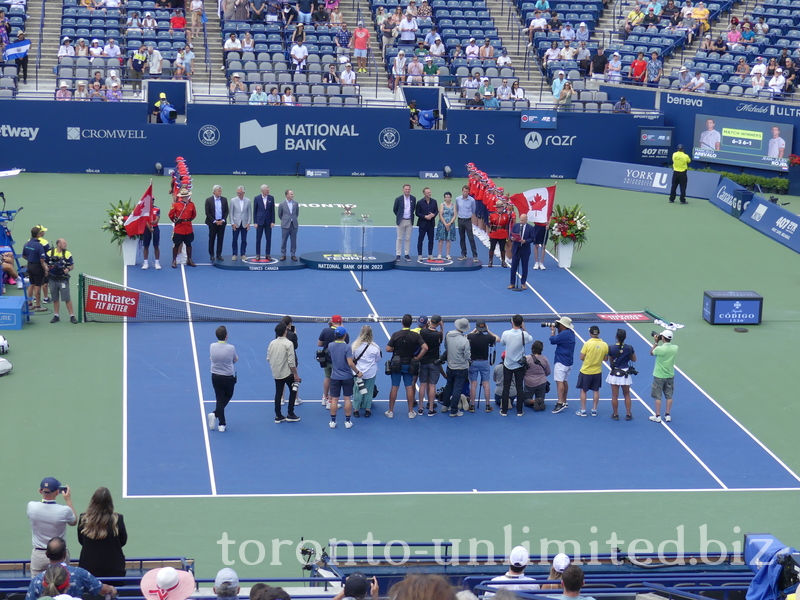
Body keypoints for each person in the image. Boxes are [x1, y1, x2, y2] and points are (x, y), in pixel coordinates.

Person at [26, 537, 117, 600]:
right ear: (65, 554)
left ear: (47, 554)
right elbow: (101, 589)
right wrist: (111, 589)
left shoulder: (36, 580)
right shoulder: (80, 573)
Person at [27, 478, 77, 576]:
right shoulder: (65, 510)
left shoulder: (31, 506)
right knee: (61, 583)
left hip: (39, 555)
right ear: (57, 492)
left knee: (38, 585)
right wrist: (68, 500)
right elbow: (74, 521)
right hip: (59, 555)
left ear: (40, 491)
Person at [77, 487, 127, 577]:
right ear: (110, 502)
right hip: (115, 570)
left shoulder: (83, 519)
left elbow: (81, 541)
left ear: (93, 502)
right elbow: (123, 541)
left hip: (88, 572)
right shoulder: (118, 519)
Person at [385, 314, 427, 418]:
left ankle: (390, 411)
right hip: (409, 364)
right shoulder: (415, 335)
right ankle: (411, 411)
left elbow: (388, 349)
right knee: (409, 387)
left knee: (395, 387)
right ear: (411, 323)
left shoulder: (396, 334)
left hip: (396, 364)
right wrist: (417, 357)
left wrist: (396, 349)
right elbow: (425, 348)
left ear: (402, 323)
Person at [326, 326, 361, 429]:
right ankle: (347, 422)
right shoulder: (347, 347)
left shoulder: (330, 345)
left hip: (335, 377)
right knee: (347, 399)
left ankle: (333, 422)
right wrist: (358, 372)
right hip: (347, 377)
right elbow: (350, 363)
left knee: (334, 400)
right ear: (344, 335)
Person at [268, 321, 302, 423]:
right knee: (293, 390)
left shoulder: (272, 343)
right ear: (285, 332)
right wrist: (295, 374)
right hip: (287, 373)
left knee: (278, 393)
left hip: (276, 373)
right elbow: (291, 361)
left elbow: (268, 358)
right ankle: (290, 414)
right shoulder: (288, 343)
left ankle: (278, 415)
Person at [500, 315, 533, 416]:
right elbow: (530, 339)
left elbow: (502, 343)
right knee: (519, 387)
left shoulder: (506, 333)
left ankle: (504, 411)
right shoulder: (524, 334)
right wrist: (524, 328)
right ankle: (519, 411)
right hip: (519, 365)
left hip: (508, 364)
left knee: (506, 387)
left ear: (512, 322)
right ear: (521, 323)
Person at [207, 325, 238, 433]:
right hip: (228, 377)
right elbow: (235, 359)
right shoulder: (231, 348)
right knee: (228, 396)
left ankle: (220, 421)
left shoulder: (212, 346)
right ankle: (219, 420)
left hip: (215, 377)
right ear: (226, 336)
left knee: (220, 398)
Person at [575, 325, 608, 417]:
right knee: (596, 390)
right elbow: (605, 359)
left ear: (590, 333)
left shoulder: (587, 344)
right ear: (599, 333)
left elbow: (581, 357)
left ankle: (583, 410)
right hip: (597, 371)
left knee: (583, 390)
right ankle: (594, 410)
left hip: (586, 371)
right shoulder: (604, 344)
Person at [440, 318, 471, 417]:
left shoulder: (448, 335)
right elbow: (467, 356)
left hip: (450, 366)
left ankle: (445, 406)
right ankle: (454, 410)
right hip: (461, 368)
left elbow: (446, 347)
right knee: (457, 388)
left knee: (449, 385)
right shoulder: (465, 341)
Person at [606, 328, 637, 421]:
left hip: (615, 373)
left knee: (614, 395)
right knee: (627, 394)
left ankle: (615, 414)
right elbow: (634, 359)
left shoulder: (611, 347)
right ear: (625, 337)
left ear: (616, 337)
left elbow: (610, 360)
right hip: (625, 374)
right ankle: (628, 414)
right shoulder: (629, 348)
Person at [351, 325, 382, 418]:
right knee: (368, 391)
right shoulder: (375, 347)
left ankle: (356, 409)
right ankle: (367, 409)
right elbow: (378, 359)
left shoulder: (355, 346)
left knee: (358, 391)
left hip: (358, 373)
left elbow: (352, 359)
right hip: (370, 373)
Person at [467, 319, 498, 412]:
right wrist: (488, 331)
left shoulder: (470, 337)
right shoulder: (488, 337)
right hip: (484, 363)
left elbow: (464, 337)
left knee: (473, 384)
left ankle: (472, 405)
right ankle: (488, 405)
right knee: (486, 384)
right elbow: (498, 339)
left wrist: (473, 331)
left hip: (473, 363)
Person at [318, 315, 349, 408]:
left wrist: (327, 343)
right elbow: (345, 345)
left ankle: (325, 398)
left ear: (332, 321)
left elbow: (319, 343)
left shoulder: (325, 331)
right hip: (338, 361)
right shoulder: (344, 333)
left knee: (327, 377)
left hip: (326, 360)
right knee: (334, 380)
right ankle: (331, 402)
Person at [414, 315, 442, 416]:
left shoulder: (423, 332)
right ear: (438, 323)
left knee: (422, 385)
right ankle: (430, 408)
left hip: (423, 362)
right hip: (434, 363)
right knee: (432, 385)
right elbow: (441, 338)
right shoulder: (438, 334)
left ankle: (420, 408)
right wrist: (441, 327)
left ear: (430, 322)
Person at [45, 239, 77, 324]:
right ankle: (56, 315)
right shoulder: (50, 253)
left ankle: (72, 316)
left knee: (67, 298)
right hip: (52, 279)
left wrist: (68, 269)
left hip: (63, 279)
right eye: (64, 243)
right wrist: (46, 268)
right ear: (59, 244)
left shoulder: (67, 254)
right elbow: (44, 262)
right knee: (55, 299)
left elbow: (72, 266)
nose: (66, 244)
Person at [649, 329, 677, 423]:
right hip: (670, 375)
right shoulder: (675, 348)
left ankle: (657, 415)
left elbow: (651, 352)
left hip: (659, 376)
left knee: (658, 397)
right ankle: (668, 415)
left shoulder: (659, 349)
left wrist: (656, 342)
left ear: (663, 338)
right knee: (669, 396)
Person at [549, 316, 576, 414]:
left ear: (563, 325)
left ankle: (560, 403)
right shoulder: (570, 333)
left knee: (559, 382)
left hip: (561, 361)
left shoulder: (563, 334)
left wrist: (552, 331)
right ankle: (565, 401)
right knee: (564, 381)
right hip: (568, 362)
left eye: (559, 324)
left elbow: (552, 340)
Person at [22, 226, 49, 313]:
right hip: (37, 267)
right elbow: (42, 260)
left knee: (31, 284)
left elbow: (23, 255)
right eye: (41, 232)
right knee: (37, 286)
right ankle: (38, 305)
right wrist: (45, 268)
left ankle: (30, 304)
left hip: (29, 265)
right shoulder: (39, 245)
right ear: (38, 234)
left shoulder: (27, 243)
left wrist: (30, 259)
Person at [169, 188, 197, 268]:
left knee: (189, 244)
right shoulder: (176, 205)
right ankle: (174, 260)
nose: (185, 198)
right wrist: (175, 221)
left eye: (186, 196)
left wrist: (188, 220)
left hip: (188, 227)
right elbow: (171, 215)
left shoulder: (191, 204)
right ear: (181, 197)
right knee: (176, 244)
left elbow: (194, 214)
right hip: (179, 227)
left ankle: (189, 259)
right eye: (184, 196)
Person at [508, 214, 535, 290]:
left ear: (526, 220)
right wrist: (512, 238)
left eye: (523, 220)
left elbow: (532, 238)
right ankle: (512, 283)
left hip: (525, 250)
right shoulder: (516, 226)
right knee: (513, 267)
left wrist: (525, 241)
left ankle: (523, 283)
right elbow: (511, 234)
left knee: (524, 267)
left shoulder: (531, 228)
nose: (521, 221)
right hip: (516, 249)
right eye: (520, 220)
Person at [522, 340, 550, 411]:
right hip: (542, 383)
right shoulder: (545, 359)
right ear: (541, 349)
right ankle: (540, 400)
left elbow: (522, 371)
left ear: (532, 348)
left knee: (525, 400)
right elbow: (548, 372)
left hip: (529, 383)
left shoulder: (527, 358)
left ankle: (533, 401)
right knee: (541, 397)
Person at [205, 185, 228, 262]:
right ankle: (211, 255)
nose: (220, 192)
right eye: (219, 191)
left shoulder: (224, 200)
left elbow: (226, 211)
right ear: (214, 192)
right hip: (212, 223)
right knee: (212, 239)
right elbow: (207, 213)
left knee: (220, 239)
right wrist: (215, 221)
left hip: (222, 223)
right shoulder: (208, 200)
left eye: (220, 190)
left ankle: (218, 254)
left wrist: (223, 220)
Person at [393, 183, 416, 261]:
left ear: (410, 190)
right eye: (406, 189)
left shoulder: (413, 198)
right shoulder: (398, 199)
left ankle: (406, 254)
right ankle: (398, 254)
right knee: (399, 238)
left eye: (408, 189)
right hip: (401, 221)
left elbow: (413, 209)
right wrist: (400, 217)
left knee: (408, 238)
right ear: (403, 190)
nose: (407, 190)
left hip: (409, 221)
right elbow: (395, 209)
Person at [487, 199, 513, 268]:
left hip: (502, 233)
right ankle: (490, 261)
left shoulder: (506, 215)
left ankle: (503, 261)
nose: (499, 209)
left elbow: (506, 224)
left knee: (502, 248)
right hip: (494, 233)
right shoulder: (492, 215)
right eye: (498, 207)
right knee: (492, 248)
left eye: (501, 207)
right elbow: (490, 224)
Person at [413, 187, 437, 260]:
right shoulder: (420, 202)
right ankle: (420, 255)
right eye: (428, 192)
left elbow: (436, 211)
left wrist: (433, 215)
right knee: (420, 240)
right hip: (422, 224)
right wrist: (425, 216)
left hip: (431, 224)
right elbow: (417, 213)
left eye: (430, 192)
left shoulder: (434, 201)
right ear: (424, 193)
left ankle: (430, 254)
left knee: (431, 240)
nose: (429, 193)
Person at [455, 185, 478, 260]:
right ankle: (463, 254)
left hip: (468, 221)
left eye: (467, 191)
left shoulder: (472, 200)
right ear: (462, 191)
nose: (465, 193)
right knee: (462, 238)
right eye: (464, 191)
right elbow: (457, 209)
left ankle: (475, 255)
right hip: (460, 220)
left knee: (471, 238)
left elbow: (473, 210)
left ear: (469, 192)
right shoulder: (458, 199)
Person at [252, 184, 275, 260]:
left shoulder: (271, 198)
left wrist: (273, 221)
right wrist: (255, 222)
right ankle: (258, 254)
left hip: (268, 222)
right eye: (267, 190)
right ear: (262, 190)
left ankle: (267, 254)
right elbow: (255, 211)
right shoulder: (257, 198)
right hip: (259, 222)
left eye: (268, 190)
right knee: (258, 239)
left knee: (268, 239)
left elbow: (272, 211)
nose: (268, 191)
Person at [229, 186, 252, 260]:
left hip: (244, 223)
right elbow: (231, 213)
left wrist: (249, 223)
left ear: (243, 193)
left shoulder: (248, 201)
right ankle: (234, 254)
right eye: (238, 192)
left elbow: (249, 212)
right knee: (234, 239)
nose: (239, 194)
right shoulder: (233, 201)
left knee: (244, 240)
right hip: (236, 224)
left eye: (240, 192)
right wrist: (232, 223)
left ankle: (243, 254)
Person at [278, 189, 299, 261]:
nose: (293, 195)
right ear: (287, 195)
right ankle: (283, 255)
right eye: (291, 194)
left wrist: (293, 220)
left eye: (292, 194)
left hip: (294, 225)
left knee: (293, 241)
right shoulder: (282, 204)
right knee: (284, 240)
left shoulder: (295, 203)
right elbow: (280, 214)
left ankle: (293, 255)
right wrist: (285, 221)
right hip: (285, 225)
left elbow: (297, 214)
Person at [435, 191, 457, 259]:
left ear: (451, 198)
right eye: (446, 197)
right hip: (442, 224)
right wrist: (445, 224)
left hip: (451, 224)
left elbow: (455, 215)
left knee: (448, 239)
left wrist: (450, 223)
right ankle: (439, 254)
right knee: (441, 239)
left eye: (449, 197)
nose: (447, 198)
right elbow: (440, 215)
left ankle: (448, 254)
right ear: (444, 198)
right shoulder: (442, 205)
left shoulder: (454, 205)